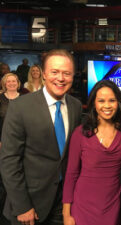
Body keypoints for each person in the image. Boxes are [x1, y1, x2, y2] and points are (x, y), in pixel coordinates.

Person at [0, 49, 82, 225]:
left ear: (73, 76)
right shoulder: (20, 106)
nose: (60, 78)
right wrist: (22, 206)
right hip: (29, 205)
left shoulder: (76, 106)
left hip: (63, 204)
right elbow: (9, 160)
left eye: (66, 73)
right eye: (54, 72)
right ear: (44, 74)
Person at [62, 80, 121, 225]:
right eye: (101, 101)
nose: (107, 106)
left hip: (111, 204)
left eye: (112, 100)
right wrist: (66, 213)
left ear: (118, 102)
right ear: (94, 104)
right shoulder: (80, 133)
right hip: (82, 205)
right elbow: (71, 174)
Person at [0, 73, 21, 225]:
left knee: (17, 174)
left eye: (14, 81)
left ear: (18, 83)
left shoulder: (26, 99)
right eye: (9, 81)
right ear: (4, 83)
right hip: (2, 143)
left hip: (20, 144)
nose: (12, 83)